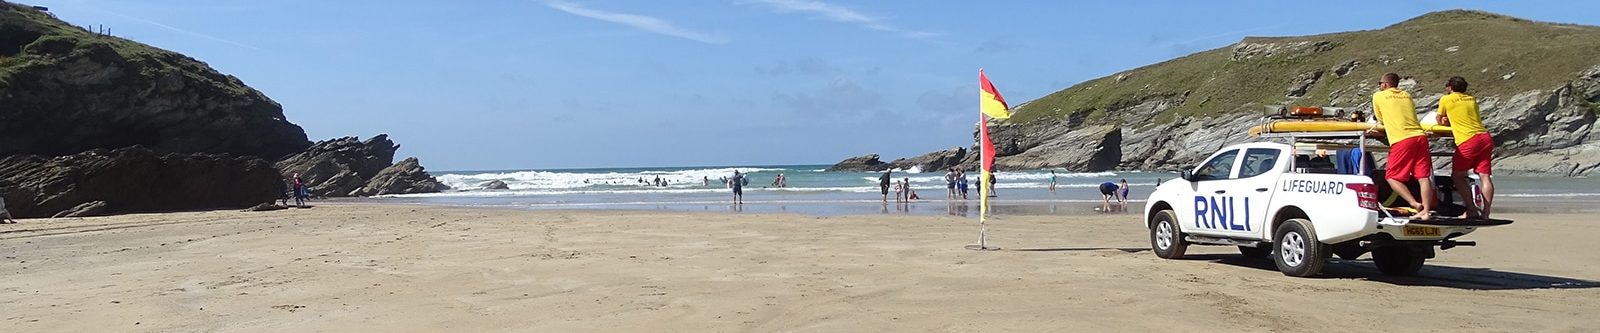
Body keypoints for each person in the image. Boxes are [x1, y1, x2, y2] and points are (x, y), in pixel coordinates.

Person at [1368, 72, 1435, 220]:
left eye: (1380, 84)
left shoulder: (1379, 96)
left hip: (1402, 138)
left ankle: (1414, 203)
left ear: (1384, 85)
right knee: (1423, 177)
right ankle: (1426, 211)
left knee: (1391, 176)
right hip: (1419, 136)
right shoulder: (1406, 95)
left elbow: (1380, 119)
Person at [1437, 76, 1495, 218]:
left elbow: (1439, 119)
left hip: (1468, 139)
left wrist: (1446, 120)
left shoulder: (1446, 99)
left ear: (1450, 87)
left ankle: (1471, 209)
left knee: (1458, 176)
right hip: (1484, 137)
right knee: (1485, 176)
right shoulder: (1471, 99)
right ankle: (1486, 212)